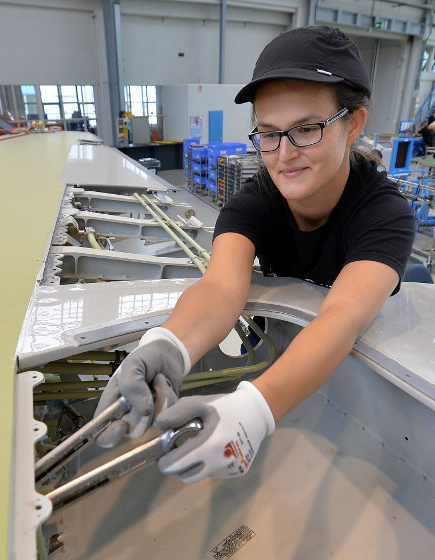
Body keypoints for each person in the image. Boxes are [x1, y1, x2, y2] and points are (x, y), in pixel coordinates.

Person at [93, 25, 415, 483]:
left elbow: (342, 316)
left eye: (306, 129)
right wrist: (167, 345)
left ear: (354, 125)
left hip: (348, 384)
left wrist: (255, 408)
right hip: (278, 359)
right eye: (267, 133)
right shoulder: (255, 202)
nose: (284, 155)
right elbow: (221, 287)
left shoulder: (384, 215)